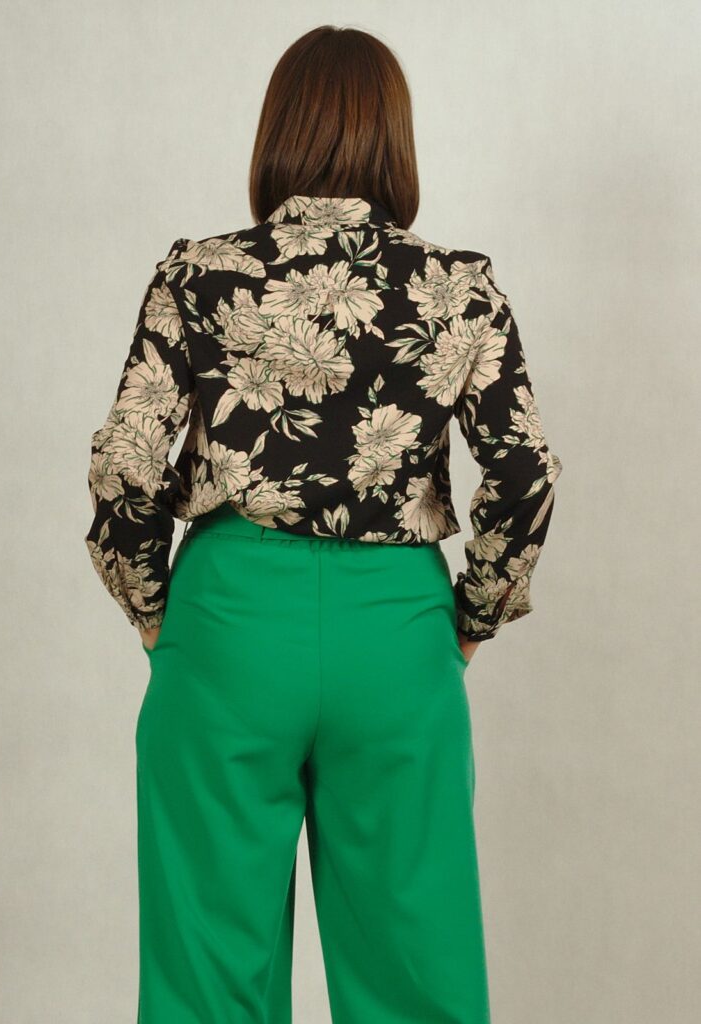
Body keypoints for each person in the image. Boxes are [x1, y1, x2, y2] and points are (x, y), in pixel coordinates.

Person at [84, 23, 562, 1024]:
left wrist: (153, 609)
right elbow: (521, 472)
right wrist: (470, 620)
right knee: (414, 979)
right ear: (394, 140)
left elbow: (127, 460)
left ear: (277, 134)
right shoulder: (458, 290)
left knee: (205, 982)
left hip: (227, 621)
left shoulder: (197, 275)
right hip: (395, 631)